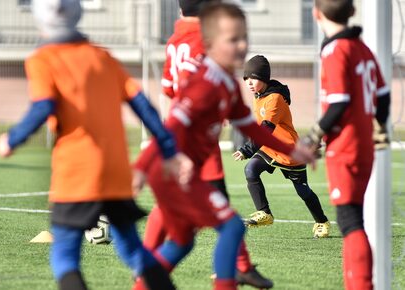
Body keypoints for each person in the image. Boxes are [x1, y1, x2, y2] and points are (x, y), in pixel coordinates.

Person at [0, 0, 193, 289]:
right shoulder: (104, 58)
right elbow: (144, 106)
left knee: (64, 256)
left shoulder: (42, 59)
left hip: (76, 172)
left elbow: (43, 106)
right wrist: (169, 149)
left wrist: (11, 139)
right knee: (132, 250)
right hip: (114, 171)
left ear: (39, 20)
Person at [132, 3, 316, 290]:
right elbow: (173, 127)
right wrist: (141, 168)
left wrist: (294, 150)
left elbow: (251, 127)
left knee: (182, 241)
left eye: (244, 37)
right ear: (210, 41)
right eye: (233, 39)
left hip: (189, 171)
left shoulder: (227, 83)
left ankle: (144, 281)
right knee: (230, 226)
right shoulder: (204, 81)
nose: (241, 46)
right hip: (174, 169)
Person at [146, 0, 273, 288]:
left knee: (179, 221)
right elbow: (200, 87)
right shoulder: (201, 40)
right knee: (221, 218)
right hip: (195, 138)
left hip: (185, 134)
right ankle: (236, 268)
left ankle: (148, 266)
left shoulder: (175, 41)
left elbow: (169, 89)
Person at [303, 0, 391, 289]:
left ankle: (362, 284)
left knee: (351, 221)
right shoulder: (362, 48)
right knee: (353, 217)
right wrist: (378, 125)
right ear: (353, 11)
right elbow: (384, 94)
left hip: (346, 146)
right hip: (363, 144)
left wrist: (312, 136)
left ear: (316, 14)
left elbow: (338, 101)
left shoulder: (334, 49)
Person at [233, 55, 330, 238]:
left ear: (264, 78)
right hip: (270, 148)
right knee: (251, 170)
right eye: (246, 79)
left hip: (289, 151)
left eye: (253, 78)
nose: (249, 83)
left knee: (303, 191)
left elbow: (266, 129)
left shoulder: (275, 98)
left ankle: (322, 221)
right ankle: (265, 213)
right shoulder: (258, 96)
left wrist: (247, 149)